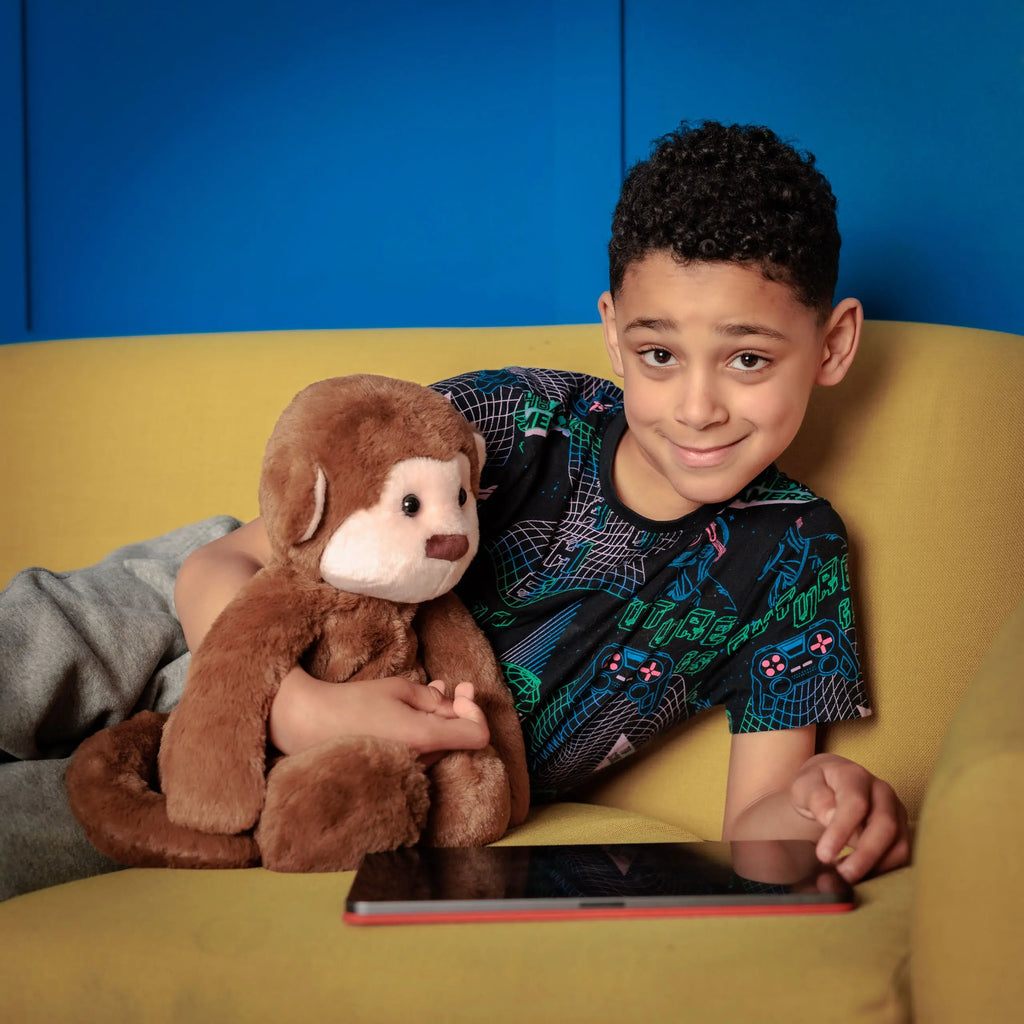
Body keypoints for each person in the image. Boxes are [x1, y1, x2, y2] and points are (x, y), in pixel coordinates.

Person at [174, 120, 910, 884]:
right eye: (659, 355)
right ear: (615, 336)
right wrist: (297, 708)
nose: (697, 408)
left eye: (747, 359)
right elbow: (215, 564)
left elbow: (752, 839)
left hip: (305, 792)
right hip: (201, 639)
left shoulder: (792, 552)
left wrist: (822, 810)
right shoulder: (511, 421)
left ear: (833, 345)